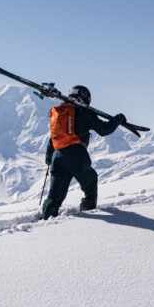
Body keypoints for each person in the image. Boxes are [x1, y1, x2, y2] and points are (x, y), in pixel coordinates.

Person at [42, 85, 126, 220]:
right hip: (77, 156)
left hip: (57, 157)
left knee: (54, 196)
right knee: (90, 183)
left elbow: (54, 137)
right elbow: (104, 130)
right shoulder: (85, 112)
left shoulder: (61, 112)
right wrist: (119, 118)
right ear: (86, 97)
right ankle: (88, 210)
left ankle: (47, 218)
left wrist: (49, 158)